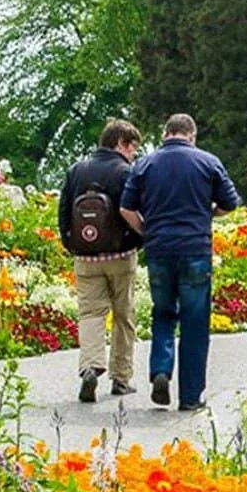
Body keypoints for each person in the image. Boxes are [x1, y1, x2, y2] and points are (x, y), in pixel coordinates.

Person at [119, 113, 241, 413]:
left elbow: (126, 208)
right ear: (192, 136)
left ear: (165, 133)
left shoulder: (144, 164)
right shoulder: (208, 162)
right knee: (195, 322)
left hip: (159, 250)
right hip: (195, 249)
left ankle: (161, 370)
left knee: (163, 313)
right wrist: (208, 213)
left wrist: (147, 231)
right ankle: (190, 396)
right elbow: (230, 202)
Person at [59, 119, 145, 403]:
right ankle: (120, 378)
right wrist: (140, 240)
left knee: (90, 314)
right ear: (120, 143)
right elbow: (135, 208)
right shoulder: (125, 172)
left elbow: (63, 211)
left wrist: (71, 244)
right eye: (132, 147)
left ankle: (90, 367)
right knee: (123, 315)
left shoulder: (76, 170)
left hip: (85, 256)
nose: (133, 153)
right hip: (121, 255)